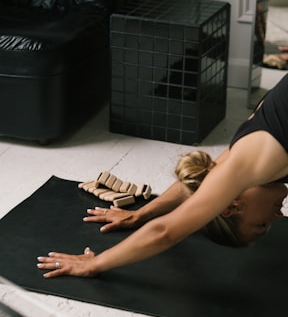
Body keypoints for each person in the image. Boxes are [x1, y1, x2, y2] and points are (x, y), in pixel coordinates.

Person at [37, 74, 288, 278]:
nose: (278, 216)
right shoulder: (252, 160)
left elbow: (167, 231)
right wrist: (140, 216)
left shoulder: (250, 163)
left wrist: (97, 262)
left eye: (261, 224)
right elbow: (204, 181)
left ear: (231, 207)